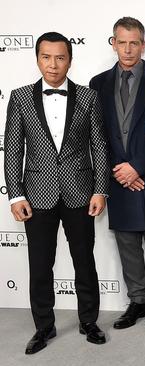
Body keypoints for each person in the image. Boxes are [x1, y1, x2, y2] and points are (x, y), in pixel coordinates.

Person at [3, 32, 110, 354]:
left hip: (80, 192)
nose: (53, 64)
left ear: (70, 60)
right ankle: (43, 327)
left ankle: (89, 321)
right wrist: (15, 195)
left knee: (84, 261)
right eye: (46, 57)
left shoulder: (89, 97)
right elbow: (12, 150)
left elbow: (99, 147)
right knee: (40, 264)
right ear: (37, 59)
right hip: (36, 194)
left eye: (60, 57)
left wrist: (101, 189)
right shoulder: (20, 97)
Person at [89, 17, 145, 332]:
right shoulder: (98, 83)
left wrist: (138, 166)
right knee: (126, 241)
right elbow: (97, 135)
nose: (127, 49)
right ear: (113, 43)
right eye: (121, 42)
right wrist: (120, 170)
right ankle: (136, 300)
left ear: (143, 44)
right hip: (116, 175)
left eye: (134, 42)